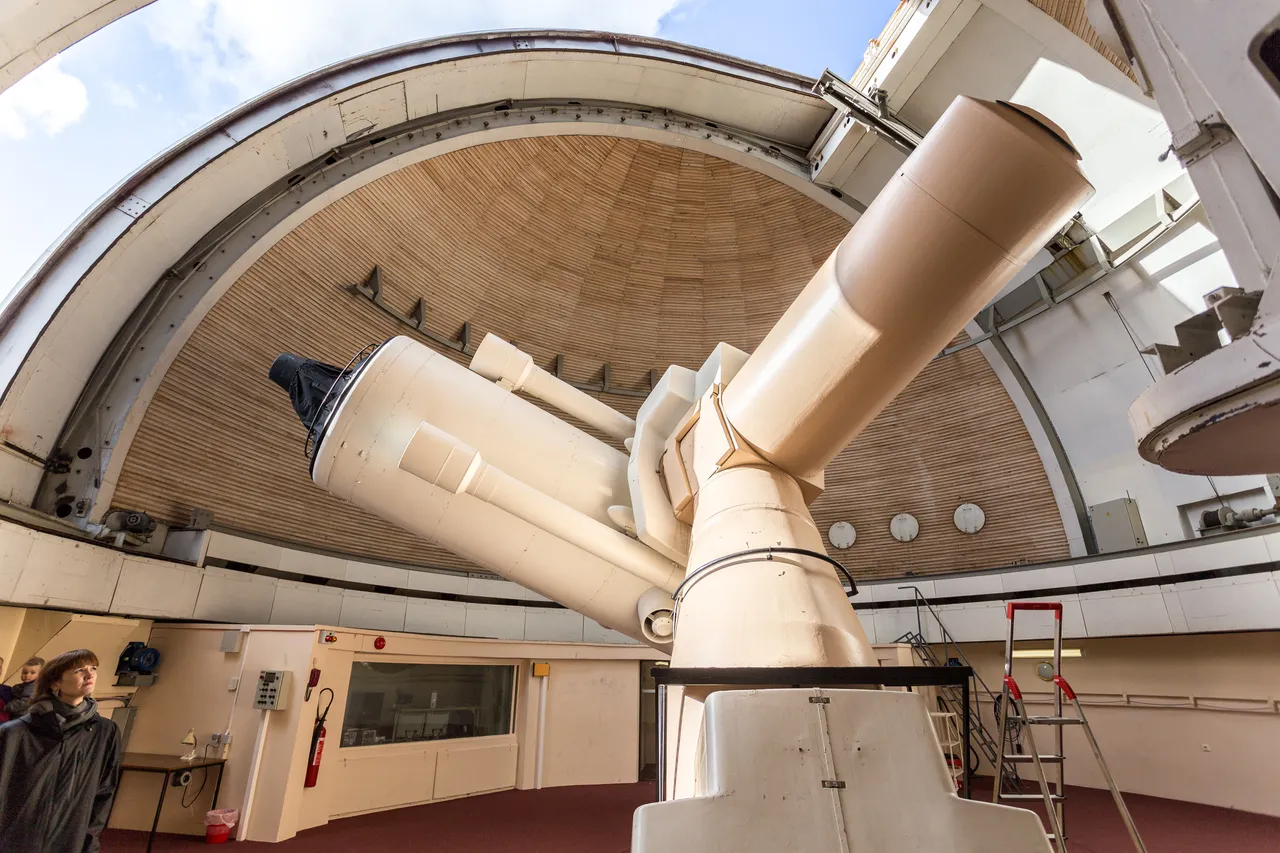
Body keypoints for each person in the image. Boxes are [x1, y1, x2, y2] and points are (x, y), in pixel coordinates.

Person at [0, 649, 122, 853]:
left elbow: (104, 792)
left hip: (70, 841)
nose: (89, 674)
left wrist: (90, 841)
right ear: (55, 682)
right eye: (79, 670)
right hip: (16, 841)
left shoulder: (105, 732)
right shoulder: (14, 734)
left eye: (93, 668)